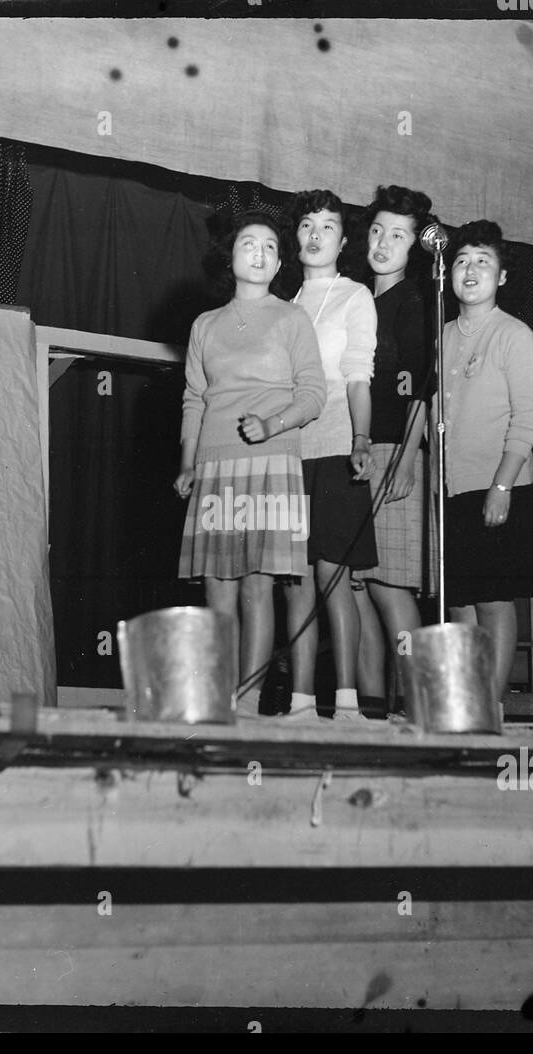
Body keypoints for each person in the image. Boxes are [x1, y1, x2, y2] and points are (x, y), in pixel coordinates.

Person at [176, 210, 327, 718]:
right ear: (231, 257)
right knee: (217, 588)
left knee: (257, 587)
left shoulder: (291, 318)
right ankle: (218, 700)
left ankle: (250, 699)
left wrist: (274, 423)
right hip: (215, 466)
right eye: (248, 244)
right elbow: (195, 398)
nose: (259, 253)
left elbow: (313, 394)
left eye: (269, 247)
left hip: (270, 464)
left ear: (280, 261)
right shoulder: (205, 324)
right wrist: (188, 462)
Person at [431, 221, 533, 700]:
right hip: (452, 491)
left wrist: (501, 488)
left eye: (482, 261)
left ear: (500, 277)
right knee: (458, 606)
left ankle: (491, 711)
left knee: (494, 602)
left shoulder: (515, 335)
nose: (470, 269)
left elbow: (527, 419)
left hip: (500, 487)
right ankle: (464, 707)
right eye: (460, 261)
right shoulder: (441, 337)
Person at [280, 189, 378, 722]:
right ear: (296, 237)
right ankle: (298, 704)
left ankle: (346, 704)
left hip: (339, 446)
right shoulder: (285, 305)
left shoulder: (354, 296)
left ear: (343, 240)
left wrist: (361, 440)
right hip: (288, 456)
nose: (316, 235)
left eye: (328, 226)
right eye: (307, 225)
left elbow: (359, 377)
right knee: (294, 579)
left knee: (332, 576)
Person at [350, 185, 437, 718]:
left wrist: (406, 460)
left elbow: (425, 388)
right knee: (356, 589)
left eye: (399, 235)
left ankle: (423, 708)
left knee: (390, 588)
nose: (384, 242)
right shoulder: (358, 298)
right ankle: (372, 714)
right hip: (354, 454)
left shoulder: (415, 302)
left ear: (415, 246)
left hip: (395, 452)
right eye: (379, 230)